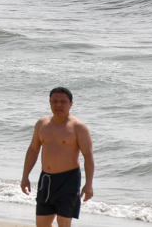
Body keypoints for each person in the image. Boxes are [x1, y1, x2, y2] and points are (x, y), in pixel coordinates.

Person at [20, 87, 94, 227]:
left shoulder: (78, 127)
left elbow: (88, 156)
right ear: (50, 102)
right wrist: (25, 176)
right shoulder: (42, 124)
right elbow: (33, 150)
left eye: (63, 102)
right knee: (42, 225)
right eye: (54, 101)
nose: (58, 105)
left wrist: (88, 184)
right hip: (46, 179)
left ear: (71, 104)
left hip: (69, 181)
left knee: (63, 223)